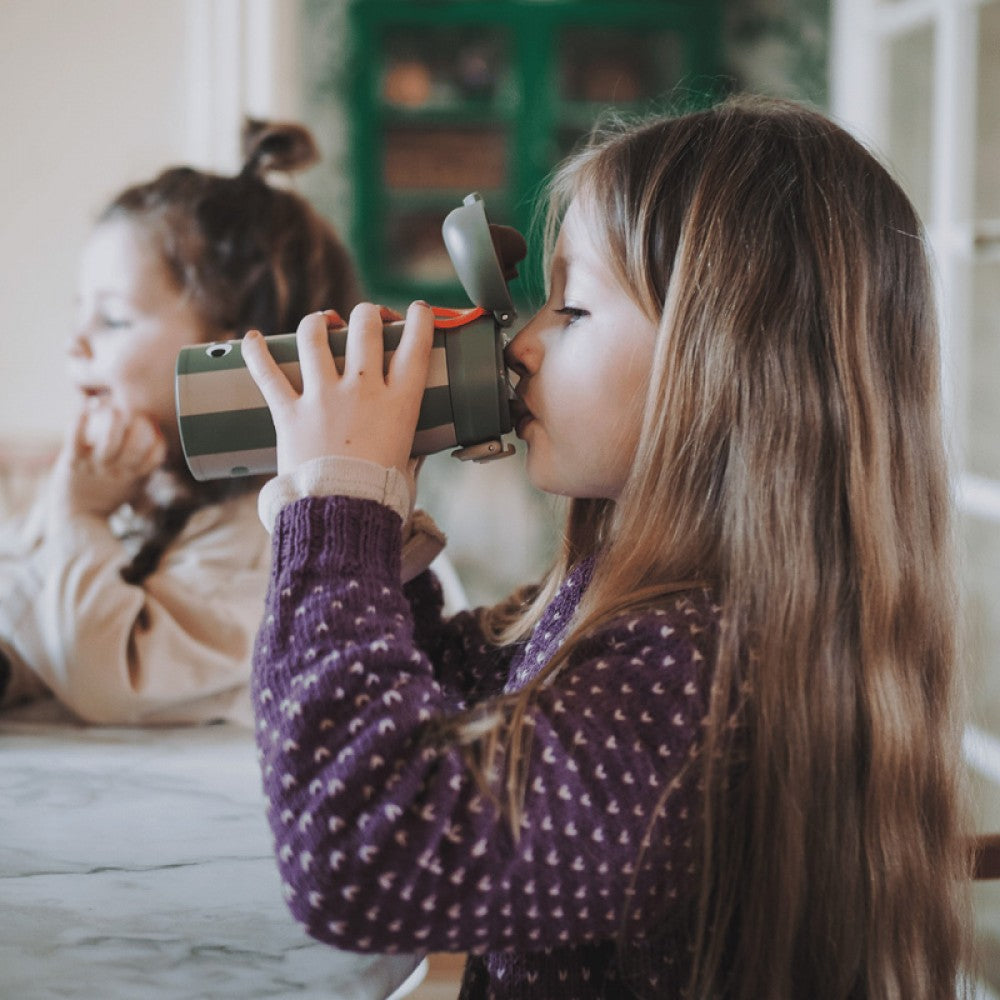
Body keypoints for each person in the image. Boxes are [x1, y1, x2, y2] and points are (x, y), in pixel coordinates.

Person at [243, 96, 972, 999]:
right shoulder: (641, 599)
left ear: (725, 367)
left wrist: (338, 514)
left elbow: (364, 856)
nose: (524, 345)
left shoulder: (698, 670)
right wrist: (366, 531)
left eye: (573, 309)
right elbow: (433, 713)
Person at [0, 119, 365, 725]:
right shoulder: (139, 487)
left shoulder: (270, 537)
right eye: (80, 315)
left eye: (113, 321)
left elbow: (114, 681)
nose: (75, 344)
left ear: (231, 356)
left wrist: (80, 515)